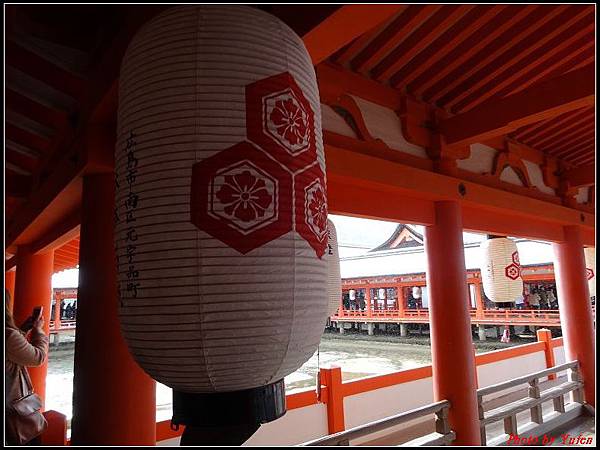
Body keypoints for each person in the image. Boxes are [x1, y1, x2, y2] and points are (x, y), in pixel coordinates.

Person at [5, 290, 49, 445]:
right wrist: (38, 330)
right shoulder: (8, 336)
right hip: (12, 412)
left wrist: (23, 329)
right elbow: (38, 357)